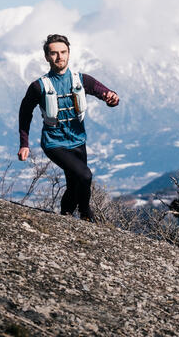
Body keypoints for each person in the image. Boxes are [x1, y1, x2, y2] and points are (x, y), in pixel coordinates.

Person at [18, 34, 119, 221]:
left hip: (78, 140)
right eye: (54, 53)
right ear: (47, 57)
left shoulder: (82, 80)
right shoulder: (38, 86)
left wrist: (112, 98)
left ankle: (64, 218)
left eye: (63, 52)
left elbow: (107, 94)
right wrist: (24, 144)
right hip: (54, 143)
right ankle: (86, 214)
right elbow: (25, 113)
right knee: (85, 176)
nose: (59, 57)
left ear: (69, 53)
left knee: (74, 184)